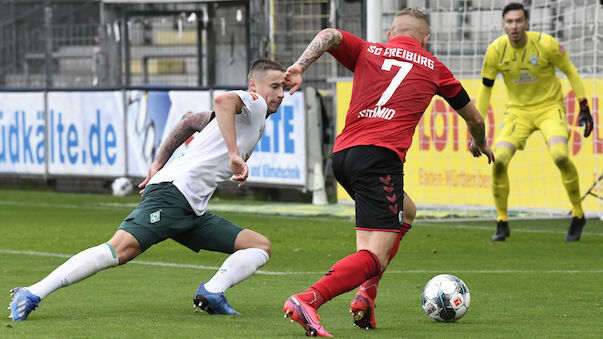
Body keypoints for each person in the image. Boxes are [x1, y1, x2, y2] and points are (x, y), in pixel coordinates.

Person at [9, 59, 286, 321]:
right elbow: (223, 99)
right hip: (174, 195)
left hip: (190, 207)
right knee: (119, 250)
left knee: (258, 246)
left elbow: (190, 121)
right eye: (274, 86)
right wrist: (234, 154)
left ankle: (212, 293)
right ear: (253, 86)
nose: (281, 93)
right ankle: (32, 292)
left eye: (283, 87)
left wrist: (158, 163)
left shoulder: (252, 116)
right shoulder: (255, 104)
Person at [281, 8, 495, 337]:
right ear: (426, 39)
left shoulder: (370, 50)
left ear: (390, 31)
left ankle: (366, 295)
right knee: (373, 257)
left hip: (343, 157)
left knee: (406, 211)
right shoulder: (435, 68)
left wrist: (298, 66)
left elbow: (328, 35)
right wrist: (478, 143)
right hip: (380, 160)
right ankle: (308, 299)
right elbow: (476, 120)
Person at [475, 3, 594, 242]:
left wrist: (584, 106)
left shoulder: (546, 44)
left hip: (550, 109)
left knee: (560, 156)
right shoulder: (495, 51)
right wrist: (475, 128)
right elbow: (485, 89)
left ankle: (578, 214)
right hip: (517, 113)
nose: (514, 26)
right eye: (510, 22)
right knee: (499, 161)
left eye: (519, 21)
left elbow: (570, 71)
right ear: (503, 24)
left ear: (527, 23)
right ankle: (502, 221)